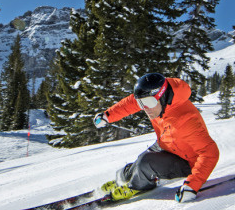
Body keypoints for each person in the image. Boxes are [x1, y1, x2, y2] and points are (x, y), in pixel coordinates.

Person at [93, 73, 220, 203]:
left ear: (162, 95)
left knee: (146, 162)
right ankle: (125, 178)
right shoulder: (155, 102)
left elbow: (210, 153)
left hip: (187, 161)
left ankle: (135, 186)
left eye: (148, 102)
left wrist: (192, 186)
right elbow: (131, 102)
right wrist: (108, 115)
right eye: (141, 103)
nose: (145, 108)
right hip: (168, 144)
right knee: (138, 162)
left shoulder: (186, 121)